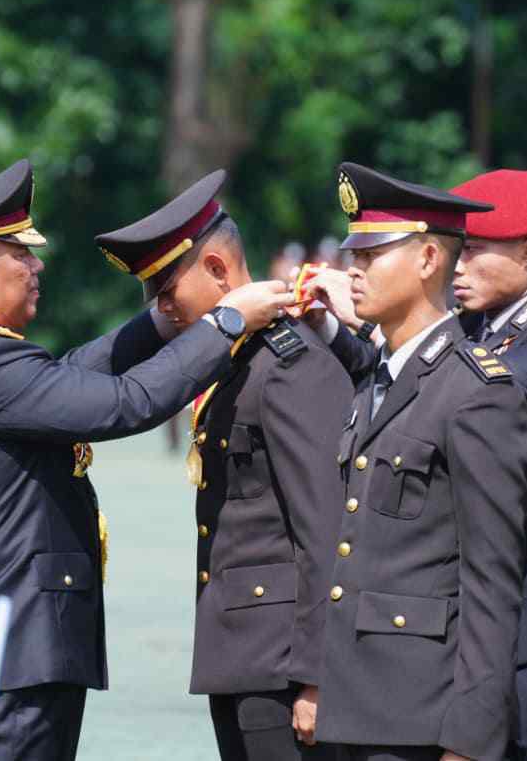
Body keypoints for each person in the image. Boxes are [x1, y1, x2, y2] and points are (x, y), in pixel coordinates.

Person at [0, 159, 292, 760]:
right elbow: (126, 403)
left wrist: (161, 321)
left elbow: (67, 377)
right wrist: (226, 322)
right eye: (20, 255)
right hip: (6, 662)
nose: (37, 266)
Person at [302, 169, 527, 761]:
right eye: (457, 251)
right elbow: (403, 384)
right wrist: (339, 326)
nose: (459, 267)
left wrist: (397, 329)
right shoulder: (469, 329)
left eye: (474, 251)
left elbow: (474, 387)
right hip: (434, 624)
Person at [95, 170, 353, 761]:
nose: (162, 310)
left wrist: (317, 675)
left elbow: (325, 529)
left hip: (283, 667)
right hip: (239, 656)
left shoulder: (288, 364)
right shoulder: (236, 360)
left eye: (166, 289)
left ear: (217, 268)